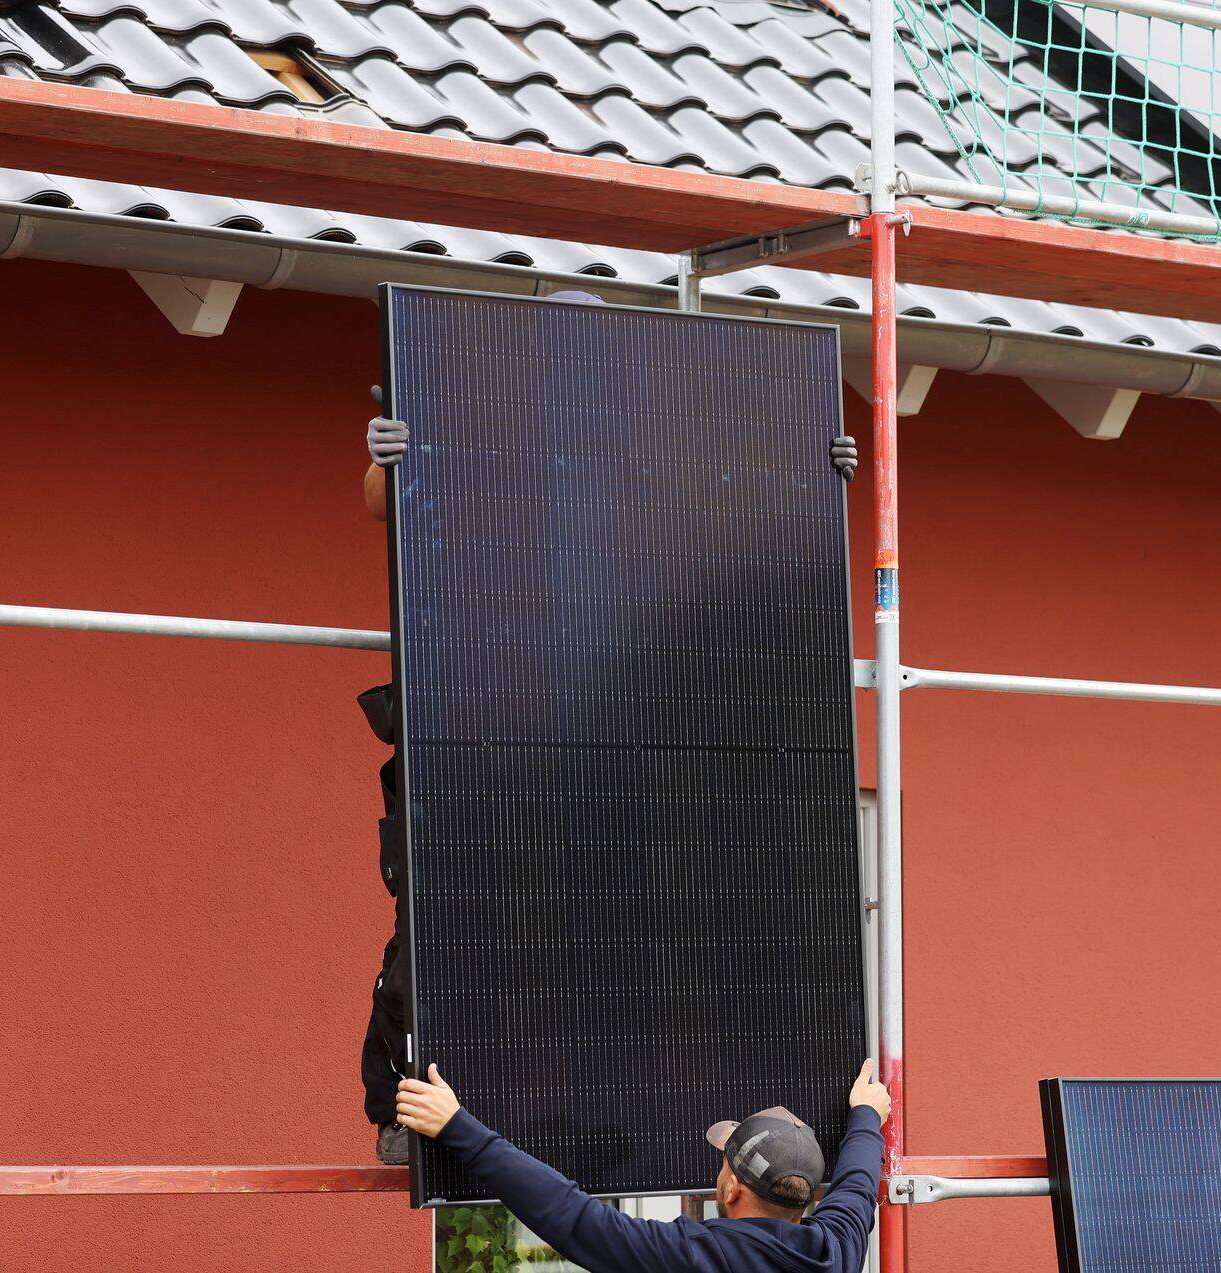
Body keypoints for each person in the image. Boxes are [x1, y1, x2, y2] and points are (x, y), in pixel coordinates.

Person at [357, 288, 860, 1164]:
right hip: (480, 727)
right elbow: (396, 508)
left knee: (617, 927)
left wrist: (817, 469)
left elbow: (749, 528)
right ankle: (411, 1111)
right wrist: (385, 462)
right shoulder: (479, 447)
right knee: (444, 929)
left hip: (614, 734)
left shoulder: (654, 469)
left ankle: (623, 1121)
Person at [396, 1060, 890, 1273]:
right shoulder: (836, 1253)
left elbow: (567, 1213)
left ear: (733, 1190)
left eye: (723, 1164)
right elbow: (858, 1186)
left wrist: (457, 1127)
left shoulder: (690, 1257)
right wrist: (866, 1117)